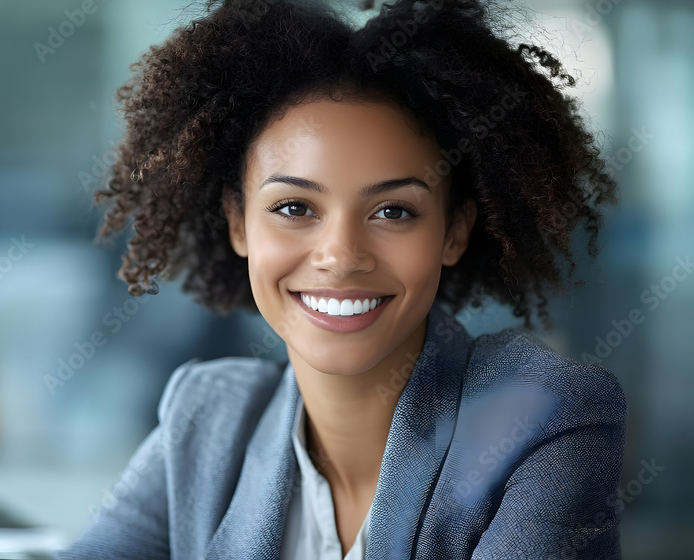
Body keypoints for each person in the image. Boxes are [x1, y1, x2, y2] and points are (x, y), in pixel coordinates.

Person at [58, 0, 627, 558]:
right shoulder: (206, 416)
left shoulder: (544, 421)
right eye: (293, 207)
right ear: (238, 223)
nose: (341, 255)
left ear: (454, 232)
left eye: (393, 211)